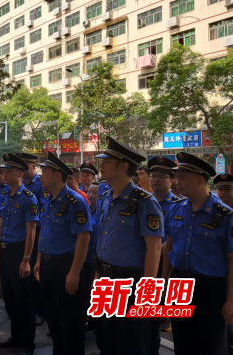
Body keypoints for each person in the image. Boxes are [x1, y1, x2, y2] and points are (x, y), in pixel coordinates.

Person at [163, 153, 233, 354]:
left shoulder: (227, 216)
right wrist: (163, 282)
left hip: (210, 287)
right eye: (176, 177)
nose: (176, 182)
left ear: (200, 180)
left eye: (182, 177)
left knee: (211, 345)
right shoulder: (175, 209)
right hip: (178, 283)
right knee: (182, 342)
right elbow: (168, 247)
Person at [95, 136, 164, 354]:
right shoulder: (106, 195)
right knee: (107, 340)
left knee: (131, 342)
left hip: (130, 283)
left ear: (123, 166)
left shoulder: (145, 202)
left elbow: (154, 249)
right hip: (106, 279)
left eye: (106, 161)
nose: (101, 165)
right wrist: (98, 277)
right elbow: (103, 240)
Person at [34, 151, 92, 354]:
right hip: (48, 266)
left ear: (58, 175)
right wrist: (40, 260)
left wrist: (75, 272)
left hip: (66, 267)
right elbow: (45, 234)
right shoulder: (49, 200)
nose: (42, 176)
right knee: (54, 320)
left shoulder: (76, 202)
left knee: (71, 322)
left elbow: (83, 238)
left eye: (45, 172)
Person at [0, 153, 39, 355]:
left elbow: (31, 231)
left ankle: (27, 344)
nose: (4, 174)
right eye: (4, 171)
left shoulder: (29, 198)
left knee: (23, 300)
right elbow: (1, 223)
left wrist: (27, 259)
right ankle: (16, 335)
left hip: (20, 252)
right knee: (10, 299)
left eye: (9, 171)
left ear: (20, 173)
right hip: (5, 251)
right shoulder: (4, 195)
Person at [147, 156, 180, 349]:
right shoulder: (142, 201)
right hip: (145, 259)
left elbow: (175, 236)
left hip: (166, 259)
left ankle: (165, 315)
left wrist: (159, 249)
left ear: (171, 180)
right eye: (153, 175)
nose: (156, 179)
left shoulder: (178, 205)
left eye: (162, 176)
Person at [212, 173, 233, 354]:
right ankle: (232, 338)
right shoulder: (213, 211)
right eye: (220, 189)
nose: (223, 192)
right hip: (218, 266)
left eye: (227, 188)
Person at [16, 152, 46, 326]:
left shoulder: (41, 185)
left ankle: (39, 311)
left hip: (36, 234)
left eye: (25, 166)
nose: (23, 169)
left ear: (34, 166)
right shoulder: (20, 185)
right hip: (22, 236)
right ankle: (27, 308)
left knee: (35, 272)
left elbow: (43, 210)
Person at [85, 182, 100, 336]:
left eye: (94, 192)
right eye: (89, 191)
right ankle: (89, 321)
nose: (90, 195)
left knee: (94, 293)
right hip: (85, 257)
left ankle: (95, 323)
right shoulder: (87, 210)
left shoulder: (102, 213)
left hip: (95, 259)